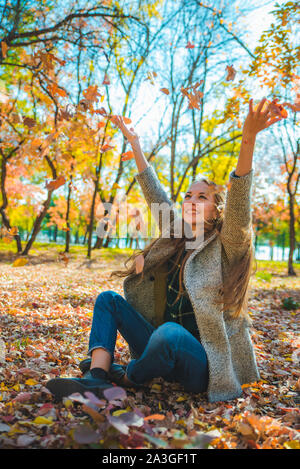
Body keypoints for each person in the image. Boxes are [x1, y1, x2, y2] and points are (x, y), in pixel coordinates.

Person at [46, 98, 283, 402]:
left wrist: (248, 138)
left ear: (216, 211)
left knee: (170, 333)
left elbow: (239, 203)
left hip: (199, 365)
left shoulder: (228, 245)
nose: (191, 201)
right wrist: (135, 145)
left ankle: (129, 377)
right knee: (108, 300)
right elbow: (153, 192)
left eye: (202, 197)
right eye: (188, 195)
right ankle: (98, 377)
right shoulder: (175, 234)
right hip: (157, 347)